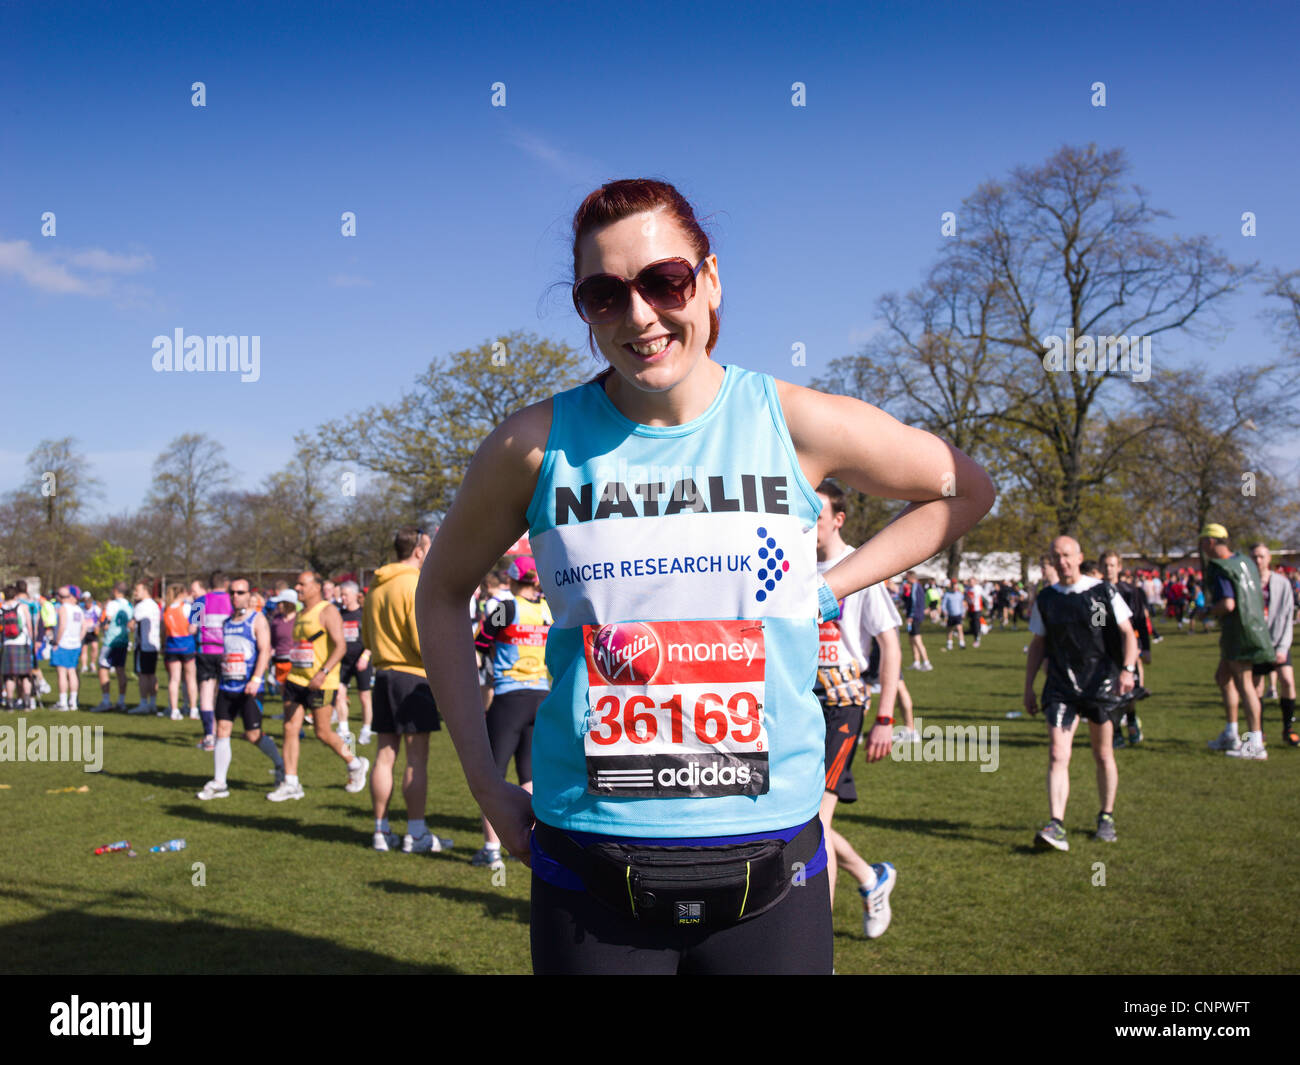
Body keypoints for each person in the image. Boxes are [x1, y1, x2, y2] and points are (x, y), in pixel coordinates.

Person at [412, 178, 994, 975]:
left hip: (772, 863)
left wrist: (831, 586)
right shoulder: (533, 444)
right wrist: (483, 782)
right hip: (590, 862)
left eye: (664, 281)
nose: (642, 315)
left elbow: (963, 488)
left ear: (710, 281)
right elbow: (440, 591)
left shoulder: (790, 421)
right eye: (605, 295)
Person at [812, 480, 899, 938]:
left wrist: (885, 718)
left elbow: (890, 644)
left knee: (819, 822)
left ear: (839, 519)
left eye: (818, 513)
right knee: (803, 820)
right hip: (803, 702)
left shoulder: (859, 567)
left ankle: (817, 949)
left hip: (844, 705)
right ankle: (870, 877)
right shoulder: (794, 565)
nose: (809, 521)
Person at [1024, 536, 1138, 850]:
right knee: (1058, 754)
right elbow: (1038, 646)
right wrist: (1028, 687)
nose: (1062, 561)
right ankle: (1056, 824)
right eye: (1056, 556)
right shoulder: (1046, 599)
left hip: (1100, 683)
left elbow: (1129, 634)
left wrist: (1127, 670)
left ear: (1079, 557)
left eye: (1067, 555)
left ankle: (1106, 816)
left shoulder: (1102, 592)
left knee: (1103, 755)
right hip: (1061, 685)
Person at [362, 530, 451, 851]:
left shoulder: (376, 586)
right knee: (416, 759)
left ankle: (380, 830)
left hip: (383, 674)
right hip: (412, 677)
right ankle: (416, 833)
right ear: (417, 550)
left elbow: (368, 640)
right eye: (428, 546)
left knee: (384, 756)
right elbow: (421, 641)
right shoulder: (414, 583)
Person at [472, 555, 553, 870]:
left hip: (509, 697)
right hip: (542, 696)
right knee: (529, 776)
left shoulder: (505, 608)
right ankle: (527, 842)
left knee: (492, 775)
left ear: (513, 580)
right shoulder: (548, 609)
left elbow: (479, 647)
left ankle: (492, 850)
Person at [268, 571, 368, 801]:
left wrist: (322, 673)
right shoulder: (301, 612)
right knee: (290, 728)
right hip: (297, 679)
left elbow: (341, 646)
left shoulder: (328, 611)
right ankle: (291, 782)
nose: (298, 588)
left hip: (322, 682)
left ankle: (355, 763)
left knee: (323, 732)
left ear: (316, 587)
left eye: (302, 584)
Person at [196, 578, 284, 799]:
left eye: (240, 592)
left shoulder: (257, 620)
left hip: (249, 688)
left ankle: (281, 764)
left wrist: (256, 678)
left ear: (249, 594)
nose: (235, 596)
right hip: (227, 686)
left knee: (253, 735)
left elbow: (265, 650)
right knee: (222, 731)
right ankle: (219, 783)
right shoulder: (227, 622)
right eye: (232, 592)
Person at [1201, 525, 1274, 760]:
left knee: (1245, 685)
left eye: (1203, 542)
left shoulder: (1220, 567)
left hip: (1240, 632)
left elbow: (1228, 604)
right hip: (1253, 627)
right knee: (1223, 677)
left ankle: (1255, 743)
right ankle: (1232, 732)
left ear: (1211, 542)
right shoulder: (1245, 561)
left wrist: (1208, 611)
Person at [1101, 551, 1151, 747]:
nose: (1109, 569)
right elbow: (1098, 623)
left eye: (1112, 565)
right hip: (1107, 650)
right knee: (1110, 691)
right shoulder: (1098, 592)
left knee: (1130, 690)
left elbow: (1140, 620)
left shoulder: (1130, 591)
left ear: (1119, 567)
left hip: (1128, 648)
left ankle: (1131, 721)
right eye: (1105, 565)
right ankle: (1115, 731)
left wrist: (1145, 647)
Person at [1249, 544, 1297, 746]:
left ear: (1268, 558)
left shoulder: (1281, 583)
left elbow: (1287, 616)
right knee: (1257, 687)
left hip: (1278, 641)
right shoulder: (1248, 583)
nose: (1258, 561)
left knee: (1287, 680)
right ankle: (1258, 731)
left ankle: (1288, 728)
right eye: (1254, 557)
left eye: (1261, 556)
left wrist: (1283, 647)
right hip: (1257, 643)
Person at [332, 580, 373, 747]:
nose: (343, 598)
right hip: (344, 661)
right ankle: (344, 730)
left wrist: (366, 655)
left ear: (356, 595)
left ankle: (366, 729)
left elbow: (373, 638)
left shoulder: (364, 614)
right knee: (340, 694)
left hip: (362, 660)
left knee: (364, 696)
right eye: (341, 595)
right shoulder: (339, 615)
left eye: (346, 595)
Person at [91, 583, 131, 712]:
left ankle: (106, 701)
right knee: (120, 670)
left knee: (103, 668)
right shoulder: (129, 605)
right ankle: (121, 701)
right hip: (123, 640)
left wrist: (101, 626)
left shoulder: (113, 604)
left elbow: (107, 621)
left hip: (111, 641)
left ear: (115, 591)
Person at [162, 583, 198, 720]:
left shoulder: (166, 609)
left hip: (171, 645)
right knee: (190, 678)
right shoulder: (187, 607)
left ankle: (174, 709)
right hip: (187, 645)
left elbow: (164, 630)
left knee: (174, 679)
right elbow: (194, 626)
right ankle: (193, 708)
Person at [128, 582, 161, 715]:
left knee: (142, 675)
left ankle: (143, 703)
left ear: (145, 591)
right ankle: (152, 703)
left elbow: (132, 624)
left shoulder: (141, 606)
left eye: (137, 590)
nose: (135, 592)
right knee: (152, 674)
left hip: (143, 645)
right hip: (154, 643)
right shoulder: (154, 605)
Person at [51, 586, 86, 710]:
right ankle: (73, 702)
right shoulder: (78, 609)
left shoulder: (63, 609)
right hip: (75, 644)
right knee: (72, 672)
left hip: (64, 644)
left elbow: (62, 626)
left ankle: (63, 702)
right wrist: (78, 640)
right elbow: (84, 628)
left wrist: (57, 642)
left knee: (62, 673)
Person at [903, 571, 931, 671]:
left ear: (911, 577)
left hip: (915, 617)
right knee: (911, 640)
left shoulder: (915, 586)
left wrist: (911, 615)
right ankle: (916, 661)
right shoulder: (914, 587)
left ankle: (926, 662)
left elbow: (915, 603)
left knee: (917, 640)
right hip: (914, 616)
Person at [79, 592, 101, 675]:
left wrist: (97, 625)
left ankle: (92, 664)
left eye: (89, 602)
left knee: (94, 647)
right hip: (84, 631)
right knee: (83, 649)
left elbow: (101, 618)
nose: (87, 604)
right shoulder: (82, 609)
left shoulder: (96, 609)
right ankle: (84, 666)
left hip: (93, 631)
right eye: (86, 602)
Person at [941, 579, 966, 650]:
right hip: (950, 615)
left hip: (958, 614)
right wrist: (944, 611)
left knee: (959, 628)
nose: (955, 588)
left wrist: (963, 612)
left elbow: (962, 604)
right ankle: (949, 643)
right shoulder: (947, 595)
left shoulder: (959, 594)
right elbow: (943, 605)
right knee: (950, 630)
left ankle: (961, 643)